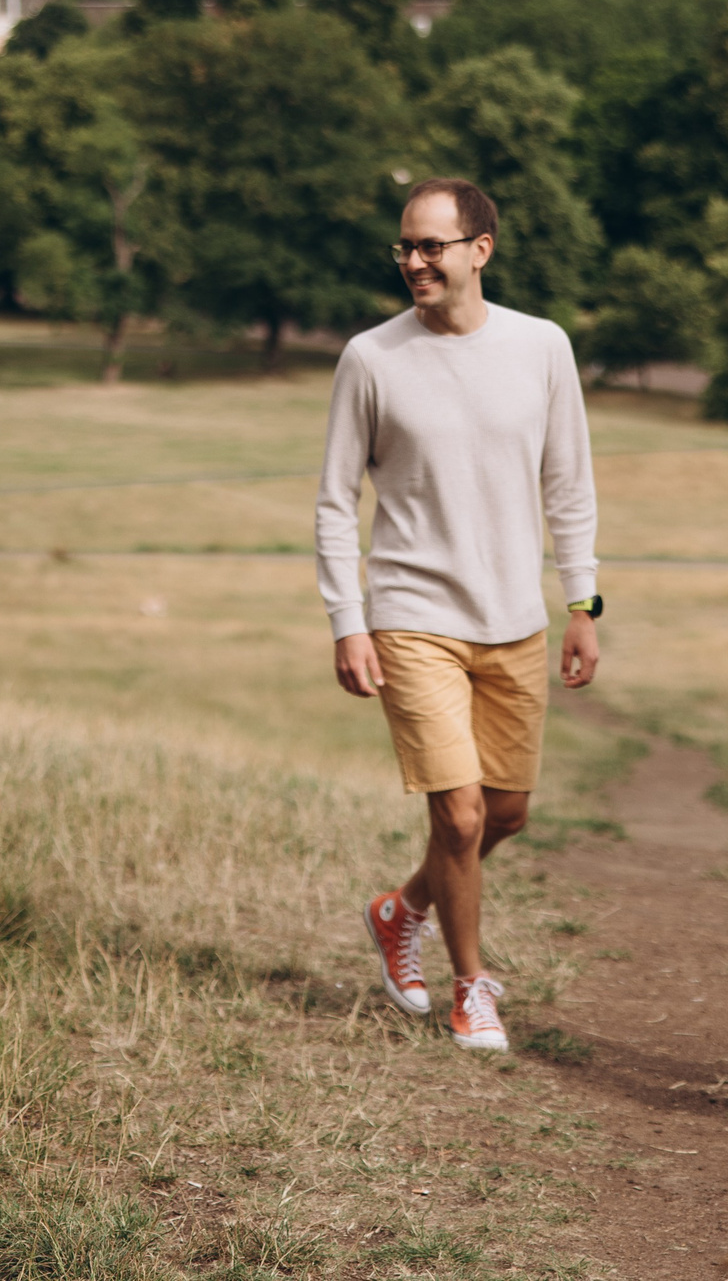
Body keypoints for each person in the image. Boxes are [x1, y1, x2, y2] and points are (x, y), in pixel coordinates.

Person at [316, 177, 600, 1053]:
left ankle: (401, 911)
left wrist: (582, 602)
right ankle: (471, 987)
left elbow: (570, 485)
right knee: (462, 816)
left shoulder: (542, 347)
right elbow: (335, 501)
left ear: (481, 249)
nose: (412, 261)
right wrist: (348, 619)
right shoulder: (372, 357)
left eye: (430, 246)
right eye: (404, 246)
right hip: (411, 615)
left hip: (514, 619)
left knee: (506, 814)